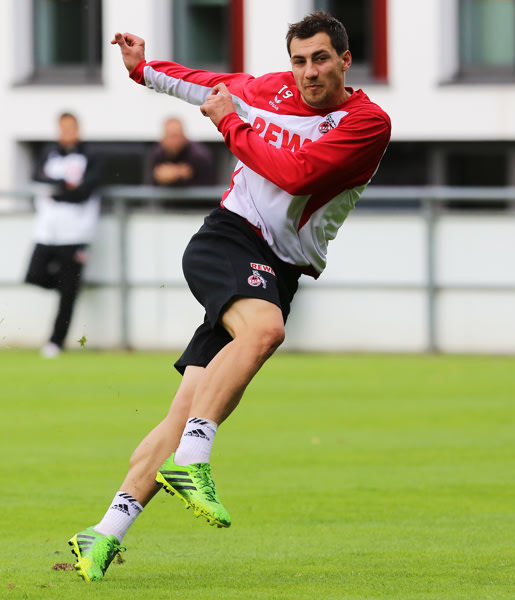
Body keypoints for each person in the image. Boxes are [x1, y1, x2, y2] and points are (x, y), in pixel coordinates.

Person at [67, 11, 391, 582]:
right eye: (299, 60)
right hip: (229, 239)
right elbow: (203, 83)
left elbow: (298, 173)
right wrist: (143, 68)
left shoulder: (366, 123)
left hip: (278, 270)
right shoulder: (268, 91)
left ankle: (102, 534)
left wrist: (229, 125)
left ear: (344, 60)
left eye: (320, 58)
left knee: (183, 409)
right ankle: (194, 459)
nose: (309, 72)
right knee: (265, 332)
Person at [24, 112, 103, 358]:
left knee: (68, 295)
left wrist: (56, 191)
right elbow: (36, 176)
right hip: (47, 230)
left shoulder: (92, 155)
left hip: (77, 232)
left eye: (72, 127)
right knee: (34, 274)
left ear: (79, 129)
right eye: (63, 128)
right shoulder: (49, 153)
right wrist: (62, 184)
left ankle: (56, 342)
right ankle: (68, 284)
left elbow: (84, 191)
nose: (67, 132)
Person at [146, 117, 216, 187]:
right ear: (163, 138)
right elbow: (153, 179)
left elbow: (206, 184)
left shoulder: (199, 155)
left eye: (176, 136)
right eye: (171, 136)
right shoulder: (157, 153)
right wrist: (178, 172)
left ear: (184, 136)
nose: (174, 141)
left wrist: (172, 174)